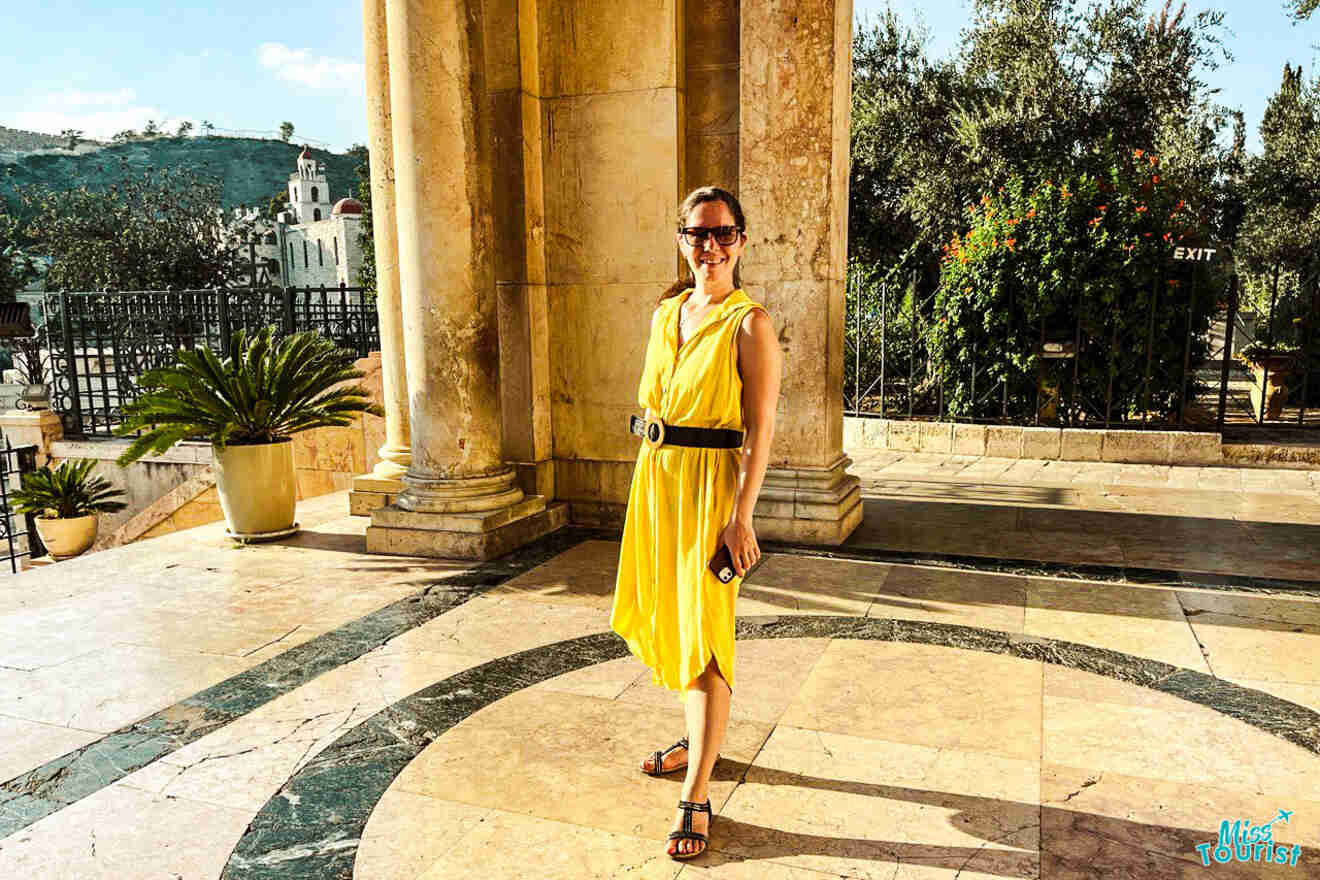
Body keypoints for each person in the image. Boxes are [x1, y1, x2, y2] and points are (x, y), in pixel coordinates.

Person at [610, 186, 782, 860]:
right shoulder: (666, 313)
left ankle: (697, 794)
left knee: (706, 632)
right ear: (681, 240)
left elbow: (761, 430)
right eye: (696, 235)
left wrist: (742, 518)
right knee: (673, 619)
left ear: (741, 240)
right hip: (656, 482)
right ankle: (697, 738)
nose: (709, 247)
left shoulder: (750, 324)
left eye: (722, 234)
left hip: (710, 492)